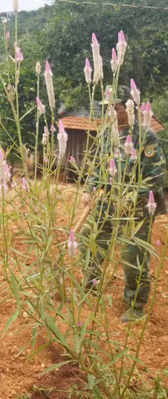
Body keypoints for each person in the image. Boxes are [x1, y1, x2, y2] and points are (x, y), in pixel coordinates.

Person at [80, 85, 166, 323]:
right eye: (106, 107)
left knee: (132, 257)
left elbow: (157, 176)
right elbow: (100, 167)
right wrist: (90, 188)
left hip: (135, 210)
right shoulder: (109, 134)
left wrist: (130, 197)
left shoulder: (145, 135)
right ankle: (91, 287)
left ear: (129, 108)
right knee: (88, 240)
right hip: (107, 203)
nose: (110, 112)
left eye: (114, 108)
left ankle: (136, 304)